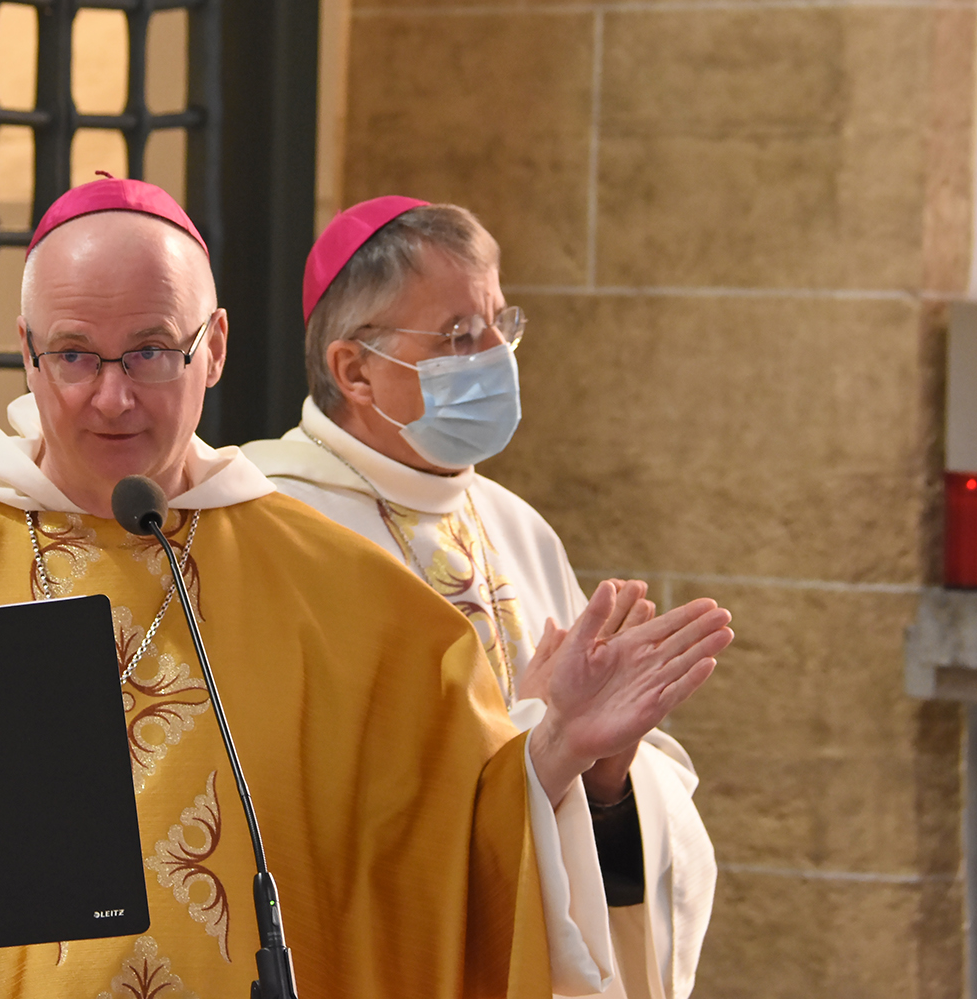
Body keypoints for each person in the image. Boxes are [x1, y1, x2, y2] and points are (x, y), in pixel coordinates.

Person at [0, 177, 735, 999]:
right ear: (25, 353)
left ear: (212, 349)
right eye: (75, 355)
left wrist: (557, 762)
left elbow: (443, 853)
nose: (111, 397)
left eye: (150, 352)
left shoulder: (340, 592)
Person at [242, 197, 719, 999]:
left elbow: (588, 799)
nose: (495, 354)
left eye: (501, 323)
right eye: (460, 335)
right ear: (353, 369)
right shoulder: (266, 523)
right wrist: (540, 748)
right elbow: (300, 807)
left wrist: (607, 773)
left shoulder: (512, 525)